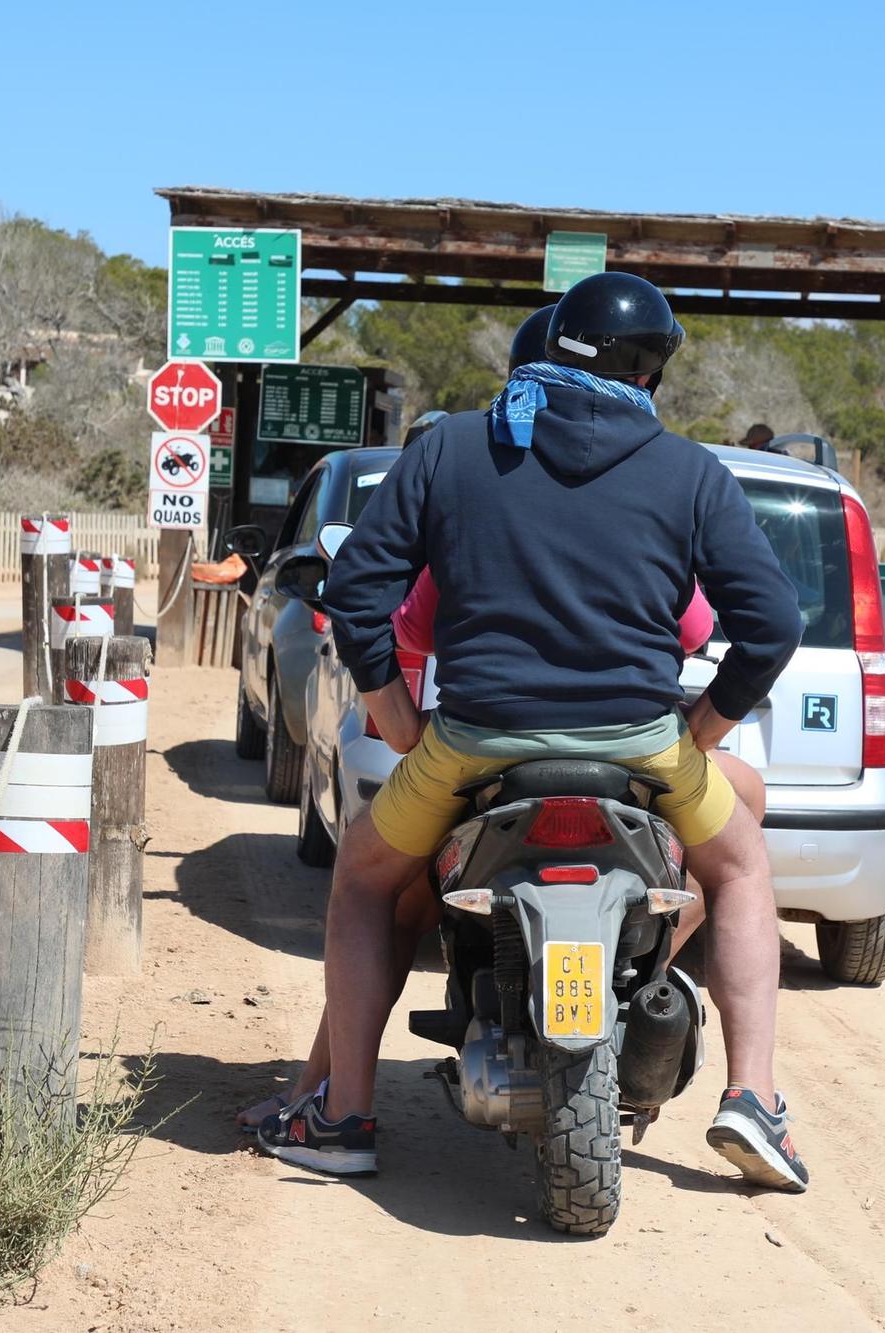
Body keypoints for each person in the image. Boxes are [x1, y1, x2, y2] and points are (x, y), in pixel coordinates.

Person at [258, 272, 808, 1192]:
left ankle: (343, 1113)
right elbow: (773, 622)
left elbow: (358, 590)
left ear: (551, 349)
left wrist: (394, 711)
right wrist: (702, 729)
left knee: (360, 880)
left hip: (474, 743)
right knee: (741, 863)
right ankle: (752, 1097)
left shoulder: (456, 449)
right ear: (651, 370)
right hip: (640, 743)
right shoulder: (689, 471)